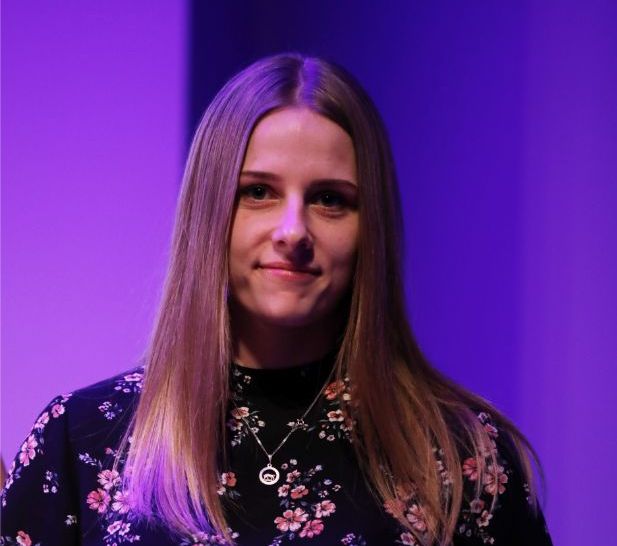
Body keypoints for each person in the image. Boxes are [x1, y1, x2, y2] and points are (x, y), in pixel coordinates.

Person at [0, 53, 553, 546]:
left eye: (330, 199)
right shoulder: (81, 441)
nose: (293, 231)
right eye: (259, 192)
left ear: (372, 230)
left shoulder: (463, 455)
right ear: (208, 213)